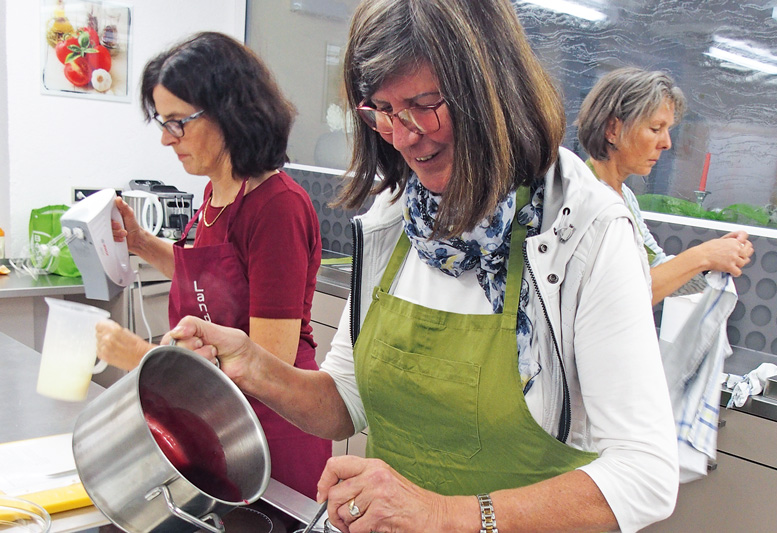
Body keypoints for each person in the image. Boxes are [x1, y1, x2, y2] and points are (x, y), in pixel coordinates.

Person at [167, 2, 678, 532]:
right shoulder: (395, 220)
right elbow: (346, 401)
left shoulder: (585, 232)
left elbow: (646, 474)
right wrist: (255, 367)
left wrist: (445, 515)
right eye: (383, 111)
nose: (404, 135)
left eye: (424, 104)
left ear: (492, 91)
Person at [94, 31, 331, 499]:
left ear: (229, 111)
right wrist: (141, 243)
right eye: (162, 122)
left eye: (178, 122)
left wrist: (143, 360)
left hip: (270, 435)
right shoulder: (216, 191)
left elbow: (269, 365)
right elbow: (212, 279)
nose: (165, 138)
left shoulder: (277, 207)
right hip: (218, 419)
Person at [576, 67, 754, 305]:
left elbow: (657, 268)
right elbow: (622, 299)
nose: (666, 143)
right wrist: (702, 256)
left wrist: (716, 255)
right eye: (655, 129)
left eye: (668, 130)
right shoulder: (584, 199)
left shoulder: (624, 197)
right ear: (612, 129)